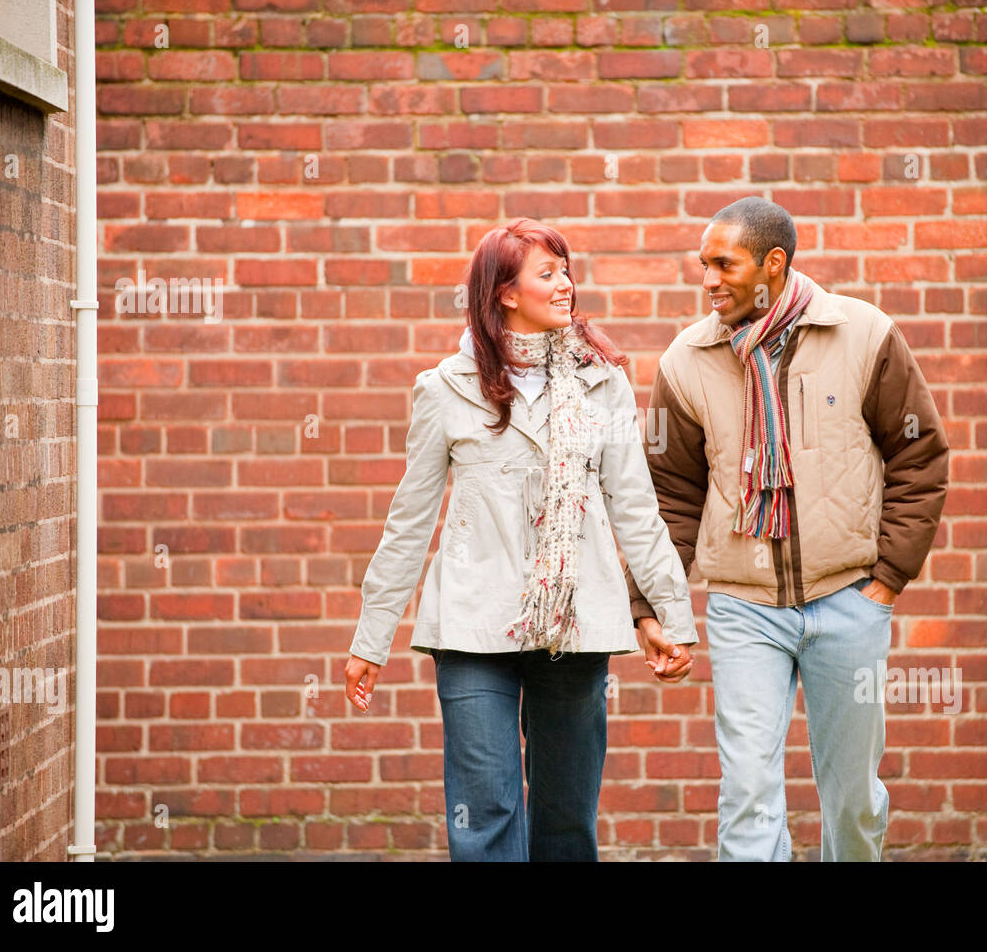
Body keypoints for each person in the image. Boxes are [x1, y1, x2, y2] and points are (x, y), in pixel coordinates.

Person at [344, 218, 696, 862]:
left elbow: (637, 509)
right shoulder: (445, 388)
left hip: (576, 626)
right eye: (548, 273)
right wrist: (372, 638)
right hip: (474, 629)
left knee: (565, 819)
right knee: (485, 815)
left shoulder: (603, 382)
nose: (566, 285)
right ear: (505, 292)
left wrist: (670, 615)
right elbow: (410, 519)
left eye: (567, 271)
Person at [627, 196, 950, 861]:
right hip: (744, 608)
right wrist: (653, 605)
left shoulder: (863, 334)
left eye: (725, 263)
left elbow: (920, 457)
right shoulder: (685, 361)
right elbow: (670, 494)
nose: (708, 279)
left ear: (773, 263)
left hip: (849, 600)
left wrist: (886, 582)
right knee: (747, 793)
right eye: (703, 265)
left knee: (854, 799)